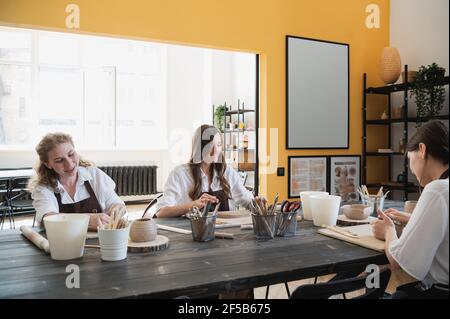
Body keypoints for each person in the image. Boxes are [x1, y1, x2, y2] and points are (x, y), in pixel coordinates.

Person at [371, 121, 449, 299]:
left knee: (378, 286)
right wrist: (413, 218)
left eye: (409, 159)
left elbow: (398, 261)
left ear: (422, 149)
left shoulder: (437, 190)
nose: (411, 168)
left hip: (438, 293)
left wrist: (389, 230)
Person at [153, 124, 255, 218]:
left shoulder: (228, 173)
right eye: (210, 146)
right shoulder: (180, 174)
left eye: (218, 145)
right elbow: (161, 212)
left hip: (226, 231)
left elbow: (246, 199)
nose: (215, 151)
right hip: (192, 233)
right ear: (199, 148)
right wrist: (193, 205)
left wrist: (257, 202)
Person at [29, 133, 126, 230]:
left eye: (71, 154)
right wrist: (87, 219)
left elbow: (114, 201)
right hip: (64, 242)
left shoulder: (94, 175)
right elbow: (48, 219)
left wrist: (118, 208)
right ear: (48, 164)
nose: (69, 163)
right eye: (59, 160)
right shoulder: (44, 188)